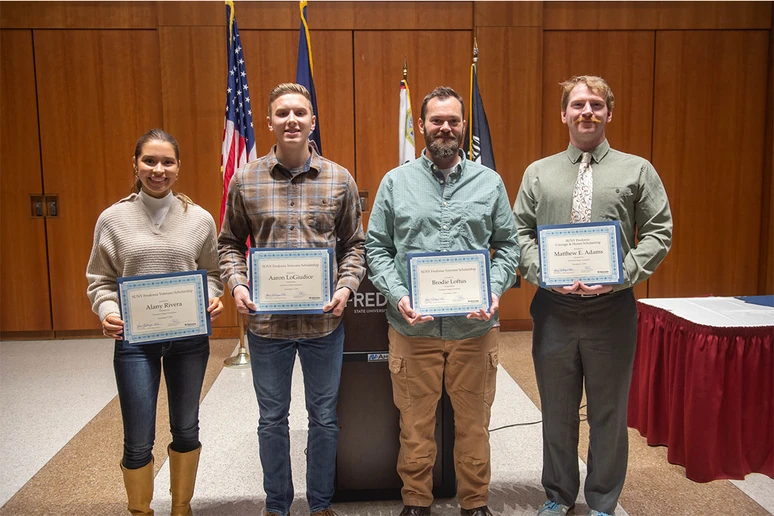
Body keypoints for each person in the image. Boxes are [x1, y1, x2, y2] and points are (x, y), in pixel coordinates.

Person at [513, 76, 672, 516]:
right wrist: (542, 272)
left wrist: (624, 274)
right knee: (557, 410)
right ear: (563, 113)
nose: (587, 111)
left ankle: (603, 501)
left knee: (607, 412)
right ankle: (558, 496)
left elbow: (659, 232)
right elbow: (518, 232)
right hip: (554, 309)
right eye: (578, 104)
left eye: (596, 104)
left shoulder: (636, 169)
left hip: (612, 309)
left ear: (608, 113)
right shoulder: (538, 172)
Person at [365, 86, 521, 516]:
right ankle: (416, 501)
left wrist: (493, 290)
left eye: (453, 120)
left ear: (463, 126)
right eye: (437, 120)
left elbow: (508, 247)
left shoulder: (489, 183)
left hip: (474, 329)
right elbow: (375, 248)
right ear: (422, 126)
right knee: (415, 427)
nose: (445, 128)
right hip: (413, 328)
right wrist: (398, 296)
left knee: (474, 426)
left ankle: (475, 503)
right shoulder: (395, 183)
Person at [218, 83, 365, 516]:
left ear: (312, 121)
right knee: (271, 420)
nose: (292, 120)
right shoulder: (246, 178)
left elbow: (355, 245)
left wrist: (345, 288)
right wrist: (238, 285)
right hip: (267, 327)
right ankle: (277, 506)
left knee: (324, 419)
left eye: (300, 112)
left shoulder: (340, 178)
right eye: (282, 113)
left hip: (324, 324)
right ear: (269, 123)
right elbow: (229, 242)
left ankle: (320, 505)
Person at [86, 129, 224, 516]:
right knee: (137, 439)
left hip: (188, 340)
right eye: (149, 161)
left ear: (178, 168)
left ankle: (181, 508)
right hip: (134, 341)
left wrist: (213, 295)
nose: (158, 169)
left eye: (167, 162)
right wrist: (107, 310)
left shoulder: (198, 219)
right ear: (135, 164)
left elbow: (211, 272)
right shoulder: (112, 219)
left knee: (186, 427)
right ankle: (140, 511)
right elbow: (100, 279)